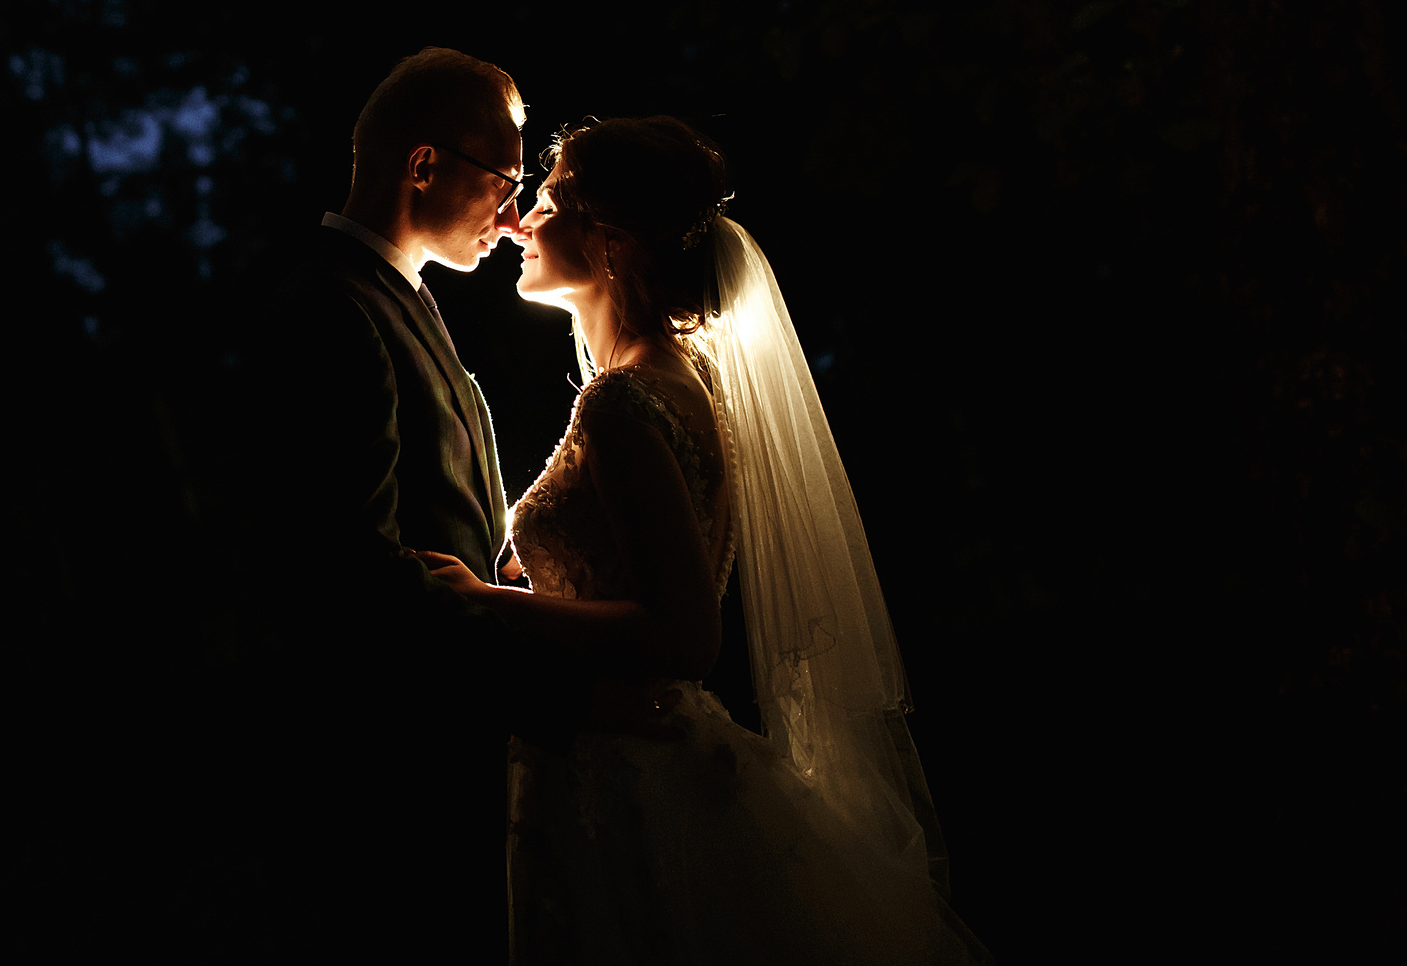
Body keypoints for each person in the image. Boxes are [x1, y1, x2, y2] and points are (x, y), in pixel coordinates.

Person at [411, 116, 990, 964]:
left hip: (624, 779)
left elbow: (682, 634)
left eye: (547, 201)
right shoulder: (675, 376)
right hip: (634, 750)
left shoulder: (623, 403)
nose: (521, 222)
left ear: (611, 242)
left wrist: (480, 599)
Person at [242, 47, 545, 964]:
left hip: (456, 751)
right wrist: (525, 628)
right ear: (423, 164)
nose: (515, 213)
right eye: (504, 179)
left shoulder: (397, 298)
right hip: (395, 764)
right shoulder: (331, 309)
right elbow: (345, 563)